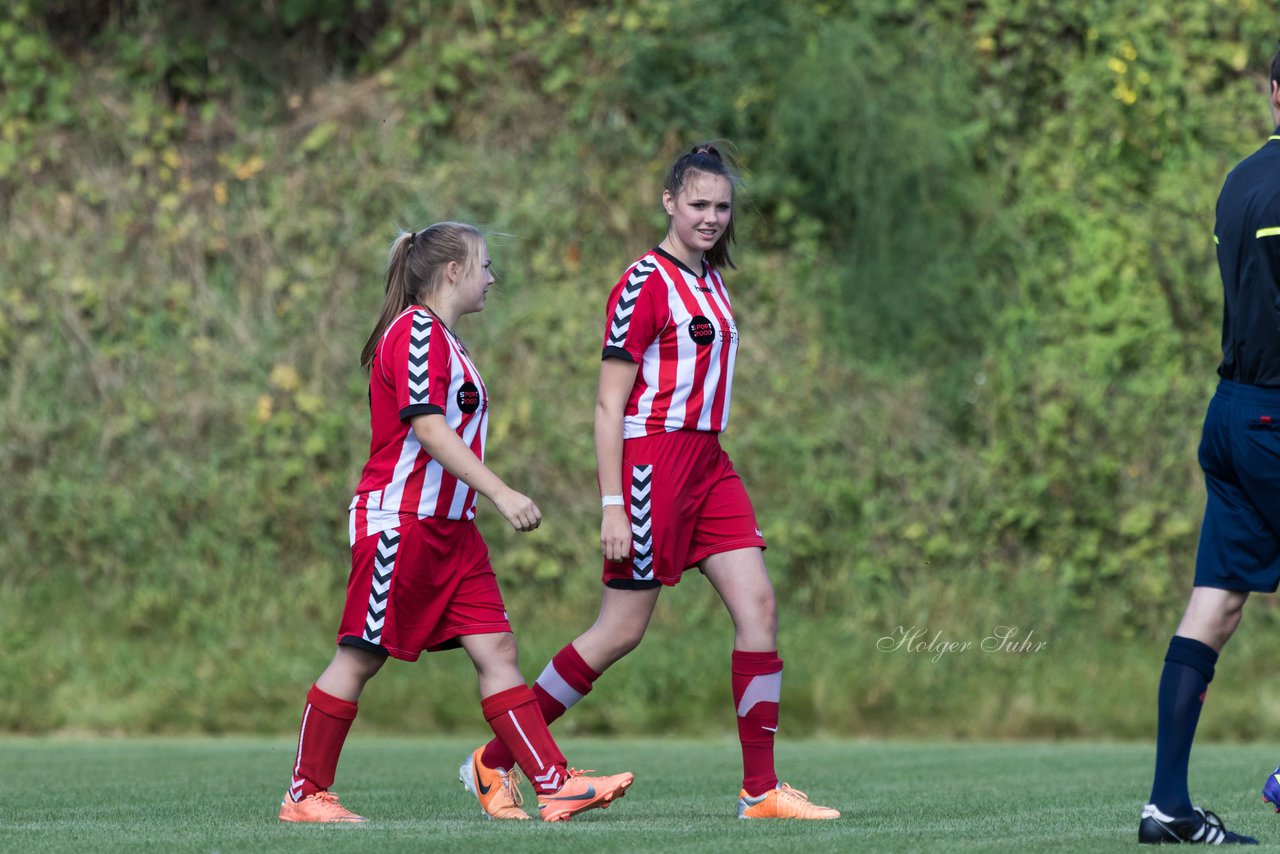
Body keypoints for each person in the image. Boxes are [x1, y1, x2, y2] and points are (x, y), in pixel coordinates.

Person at [458, 145, 840, 821]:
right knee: (619, 632)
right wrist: (613, 504)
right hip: (651, 467)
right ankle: (497, 759)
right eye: (698, 204)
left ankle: (762, 791)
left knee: (760, 609)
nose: (712, 217)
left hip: (709, 465)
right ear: (669, 202)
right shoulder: (644, 282)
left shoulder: (713, 282)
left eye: (722, 206)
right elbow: (609, 404)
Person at [278, 222, 633, 824]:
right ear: (452, 271)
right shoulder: (415, 331)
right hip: (403, 523)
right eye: (486, 266)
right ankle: (305, 794)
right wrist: (501, 491)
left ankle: (553, 782)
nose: (492, 278)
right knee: (360, 655)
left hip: (451, 530)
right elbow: (428, 426)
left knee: (498, 648)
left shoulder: (446, 339)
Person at [1135, 53, 1280, 846]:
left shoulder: (1238, 179)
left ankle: (1168, 806)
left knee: (1217, 602)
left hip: (1231, 410)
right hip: (1274, 418)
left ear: (1274, 94)